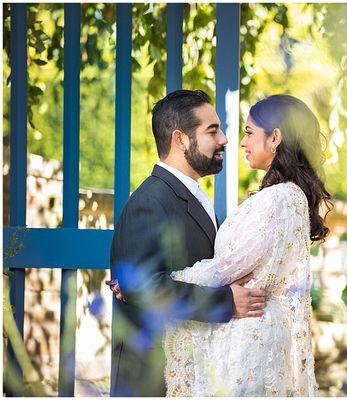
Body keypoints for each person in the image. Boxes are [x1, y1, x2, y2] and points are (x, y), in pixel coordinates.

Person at [162, 94, 332, 396]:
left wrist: (153, 283)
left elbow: (228, 268)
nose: (240, 142)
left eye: (250, 132)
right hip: (253, 331)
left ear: (275, 138)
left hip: (251, 338)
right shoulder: (285, 196)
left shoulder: (280, 199)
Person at [107, 89, 267, 397]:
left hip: (190, 372)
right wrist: (226, 302)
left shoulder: (191, 195)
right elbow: (141, 286)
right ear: (180, 139)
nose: (224, 139)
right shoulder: (149, 202)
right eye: (212, 131)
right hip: (151, 379)